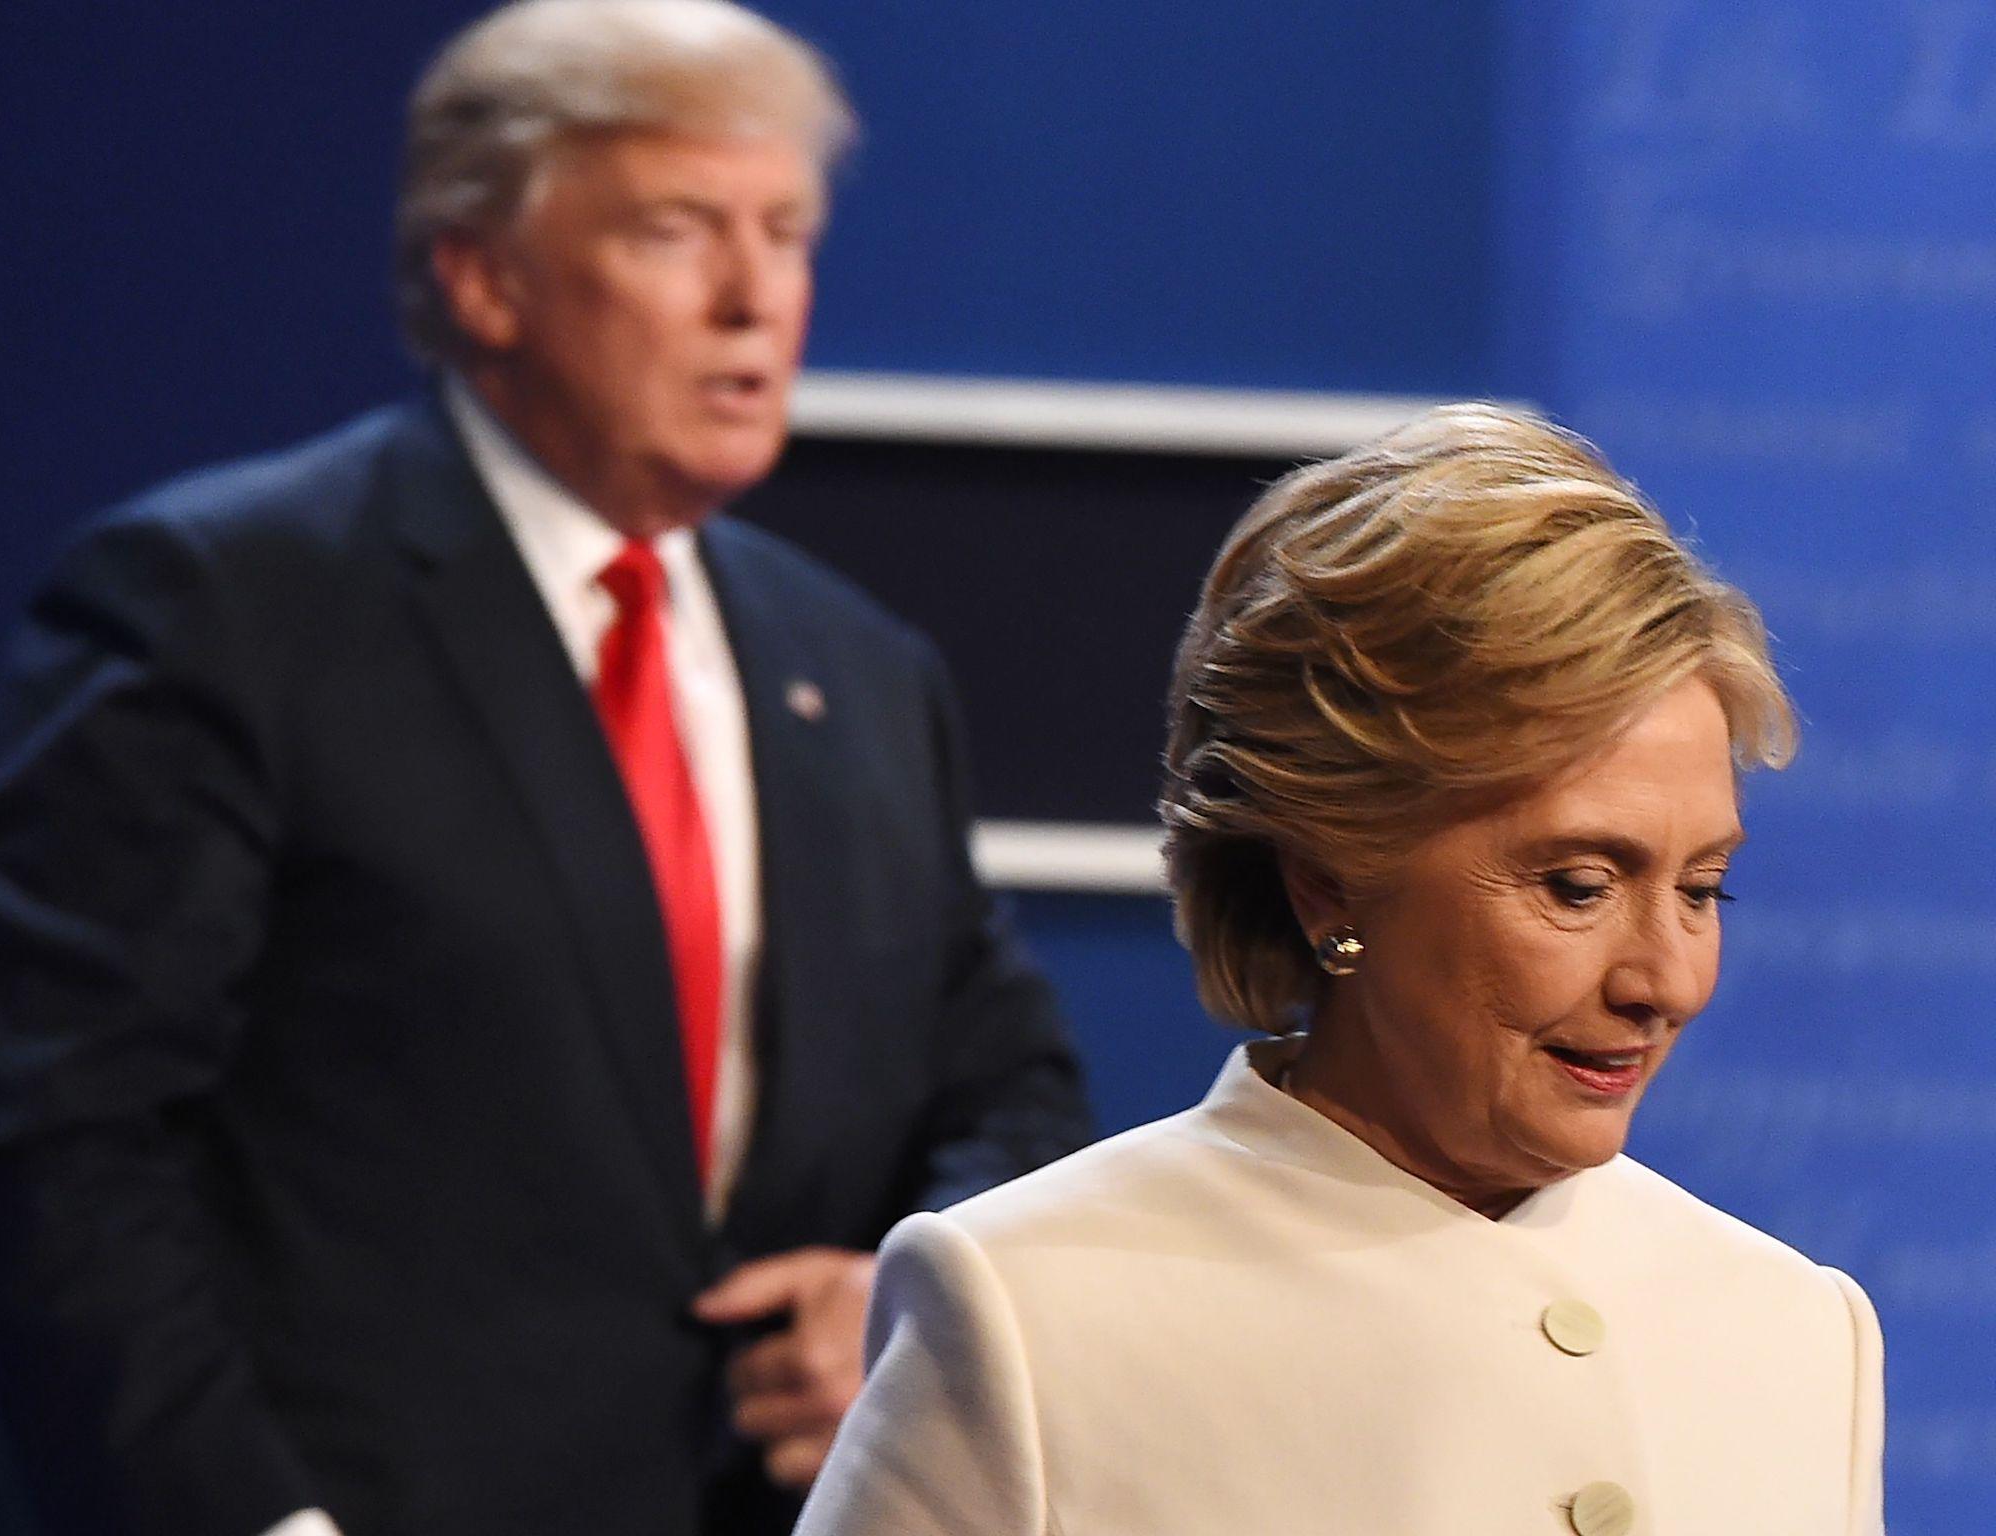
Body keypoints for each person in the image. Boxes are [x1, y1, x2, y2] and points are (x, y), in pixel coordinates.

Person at [0, 3, 1092, 1533]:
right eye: (679, 231)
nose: (756, 300)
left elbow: (1012, 1086)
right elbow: (51, 1140)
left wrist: (900, 1284)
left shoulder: (859, 667)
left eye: (788, 231)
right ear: (485, 278)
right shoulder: (224, 603)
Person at [795, 404, 1886, 1536]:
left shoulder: (1799, 1337)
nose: (1663, 980)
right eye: (1576, 886)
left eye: (1700, 890)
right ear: (1327, 880)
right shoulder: (1028, 1312)